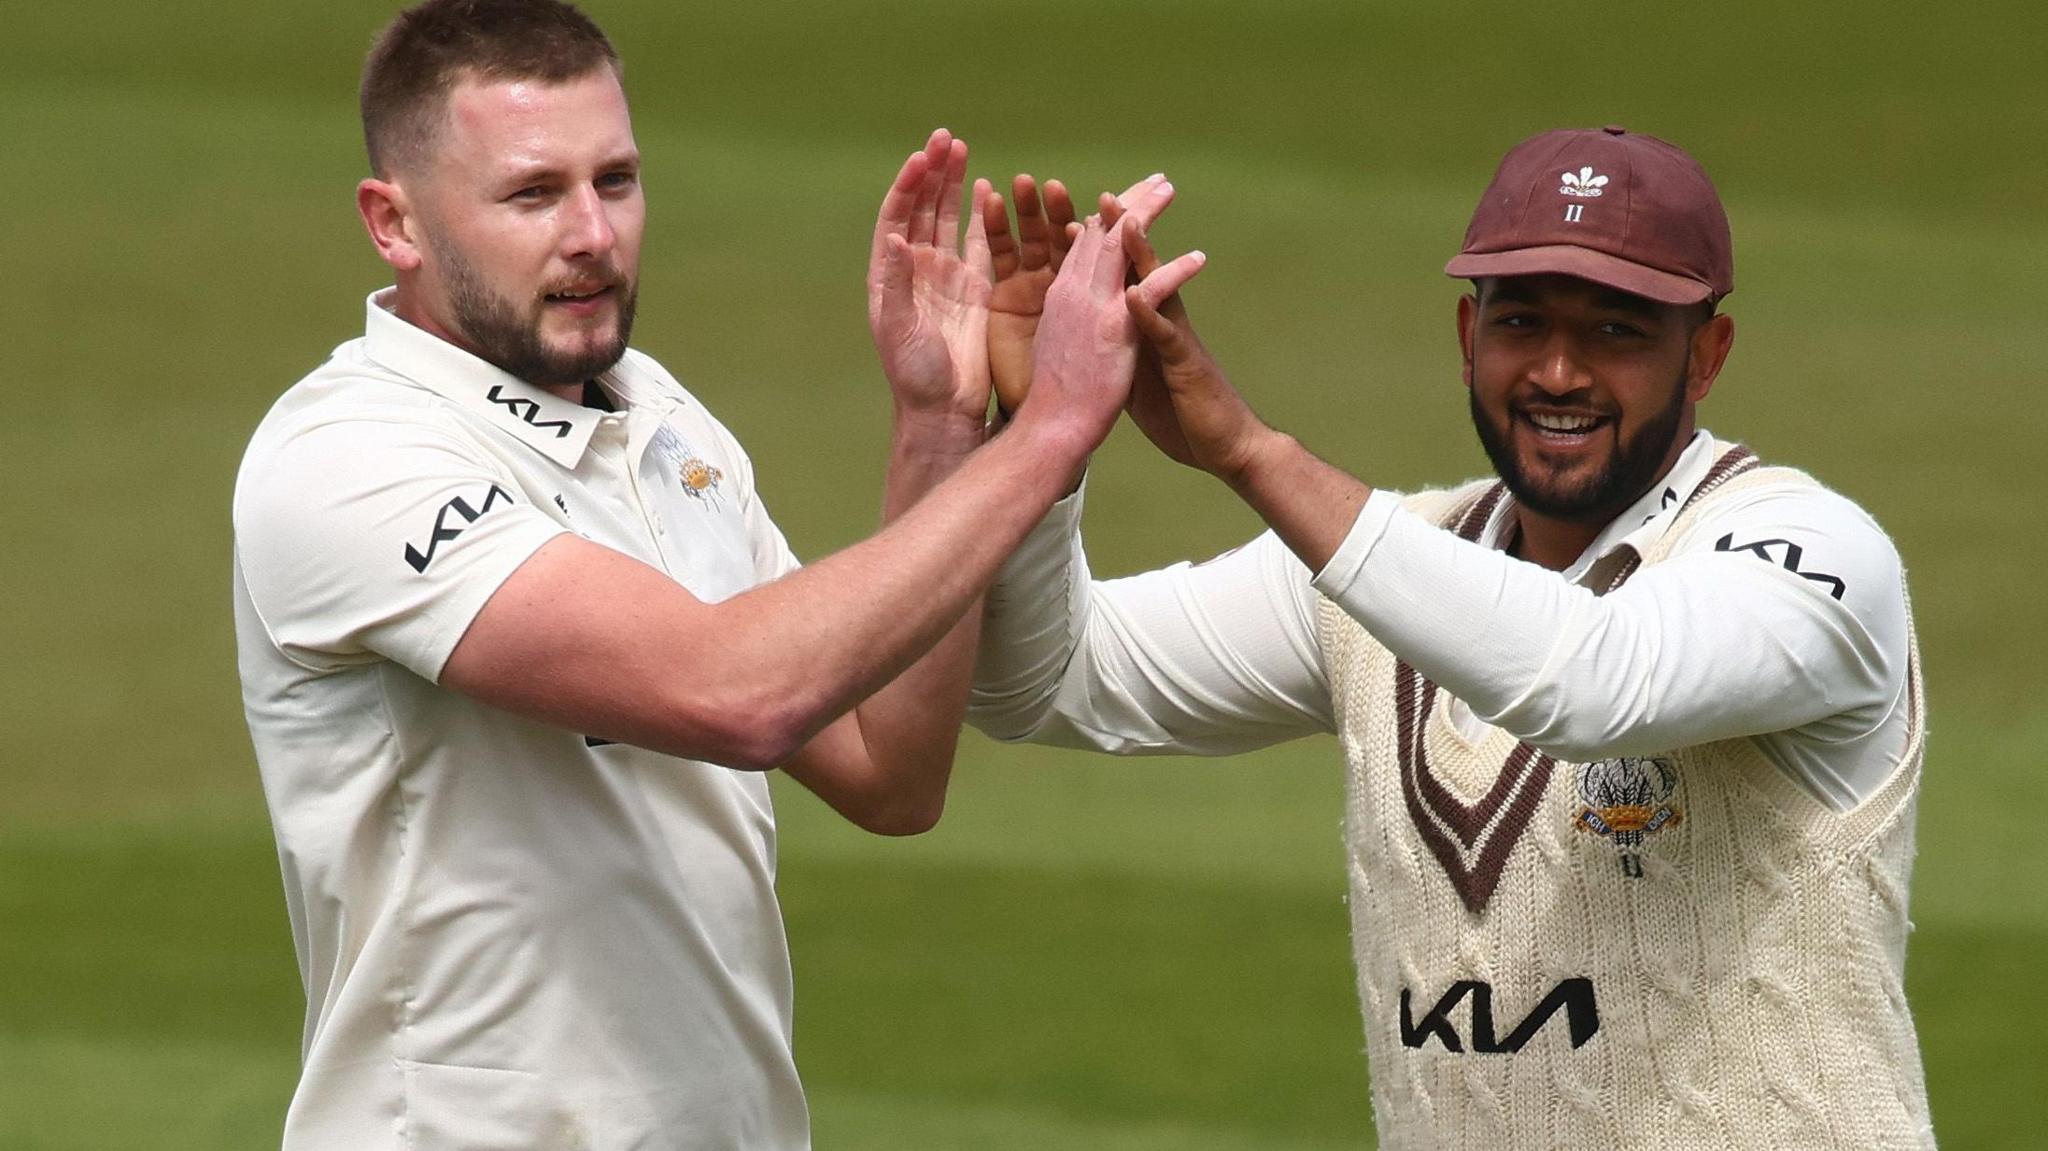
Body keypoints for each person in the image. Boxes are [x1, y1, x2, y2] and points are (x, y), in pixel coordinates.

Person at [230, 1, 1190, 1145]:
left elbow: (889, 769)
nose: (592, 233)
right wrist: (1048, 439)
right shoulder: (347, 455)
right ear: (396, 222)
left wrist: (944, 428)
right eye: (534, 194)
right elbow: (738, 693)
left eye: (617, 181)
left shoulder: (660, 416)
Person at [970, 126, 1933, 1148]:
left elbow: (1591, 682)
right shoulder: (1382, 567)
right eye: (1521, 322)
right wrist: (1042, 440)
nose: (1558, 371)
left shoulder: (1811, 552)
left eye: (1616, 330)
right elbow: (1037, 682)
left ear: (1706, 353)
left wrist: (1249, 454)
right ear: (1466, 336)